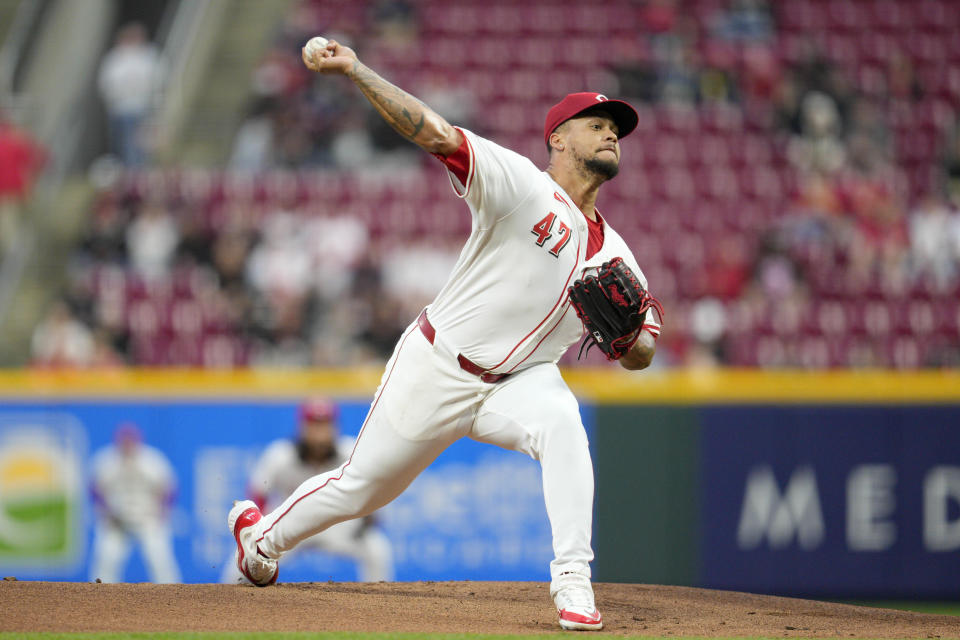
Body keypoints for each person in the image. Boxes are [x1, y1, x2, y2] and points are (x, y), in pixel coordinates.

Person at [228, 38, 662, 632]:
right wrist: (357, 70)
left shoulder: (621, 259)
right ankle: (260, 540)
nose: (611, 133)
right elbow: (435, 132)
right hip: (439, 361)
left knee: (564, 425)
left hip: (522, 381)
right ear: (558, 138)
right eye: (597, 123)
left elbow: (643, 352)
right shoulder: (521, 186)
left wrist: (625, 340)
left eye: (616, 127)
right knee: (363, 489)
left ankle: (574, 584)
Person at [221, 397, 394, 583]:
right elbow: (257, 493)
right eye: (314, 424)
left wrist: (367, 520)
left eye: (325, 423)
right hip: (291, 525)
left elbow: (375, 489)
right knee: (244, 557)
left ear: (335, 427)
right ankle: (226, 605)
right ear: (302, 426)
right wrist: (260, 529)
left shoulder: (351, 452)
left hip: (338, 526)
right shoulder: (280, 456)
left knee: (377, 549)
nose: (320, 431)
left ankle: (379, 605)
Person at [89, 423, 181, 583]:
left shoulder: (152, 460)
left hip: (147, 517)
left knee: (159, 560)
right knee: (106, 560)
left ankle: (173, 596)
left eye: (131, 441)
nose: (127, 445)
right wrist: (105, 512)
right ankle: (98, 597)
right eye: (124, 441)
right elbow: (94, 490)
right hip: (116, 520)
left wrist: (162, 513)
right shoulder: (106, 461)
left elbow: (169, 488)